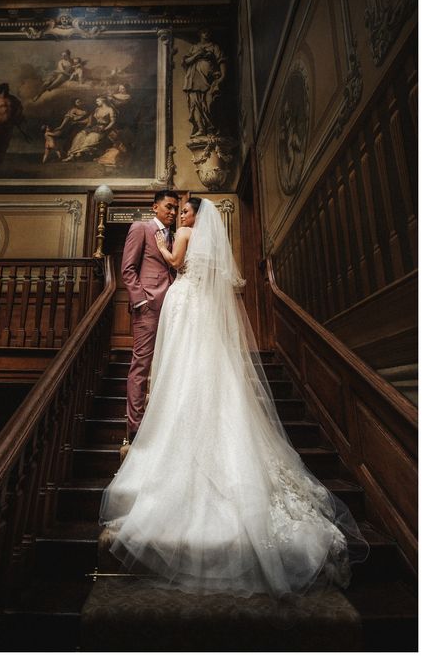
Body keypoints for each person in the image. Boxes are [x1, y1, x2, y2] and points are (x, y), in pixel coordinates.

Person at [99, 197, 368, 599]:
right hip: (177, 305)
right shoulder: (160, 230)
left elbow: (174, 262)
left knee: (184, 366)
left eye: (183, 209)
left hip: (184, 304)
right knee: (171, 366)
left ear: (193, 216)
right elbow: (136, 268)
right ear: (160, 207)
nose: (178, 214)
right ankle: (147, 425)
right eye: (173, 208)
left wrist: (169, 245)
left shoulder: (180, 235)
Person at [121, 190, 180, 442]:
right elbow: (127, 269)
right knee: (141, 365)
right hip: (148, 307)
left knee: (168, 364)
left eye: (176, 208)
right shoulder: (140, 228)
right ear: (154, 207)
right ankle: (136, 426)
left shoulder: (175, 236)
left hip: (173, 307)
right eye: (168, 207)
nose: (173, 212)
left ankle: (162, 421)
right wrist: (141, 300)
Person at [182, 28, 227, 137]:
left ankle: (212, 128)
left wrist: (223, 76)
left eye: (208, 32)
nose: (206, 34)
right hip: (194, 79)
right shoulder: (194, 47)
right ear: (199, 34)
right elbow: (186, 61)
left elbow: (221, 61)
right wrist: (198, 54)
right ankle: (201, 128)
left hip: (209, 79)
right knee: (195, 104)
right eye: (204, 32)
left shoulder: (214, 47)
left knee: (210, 103)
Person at [63, 96, 116, 161]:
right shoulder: (97, 109)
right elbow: (90, 120)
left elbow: (113, 122)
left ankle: (78, 153)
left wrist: (106, 129)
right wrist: (77, 120)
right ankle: (72, 155)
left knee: (90, 138)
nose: (96, 103)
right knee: (80, 135)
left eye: (98, 101)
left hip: (103, 127)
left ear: (103, 101)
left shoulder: (110, 109)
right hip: (95, 127)